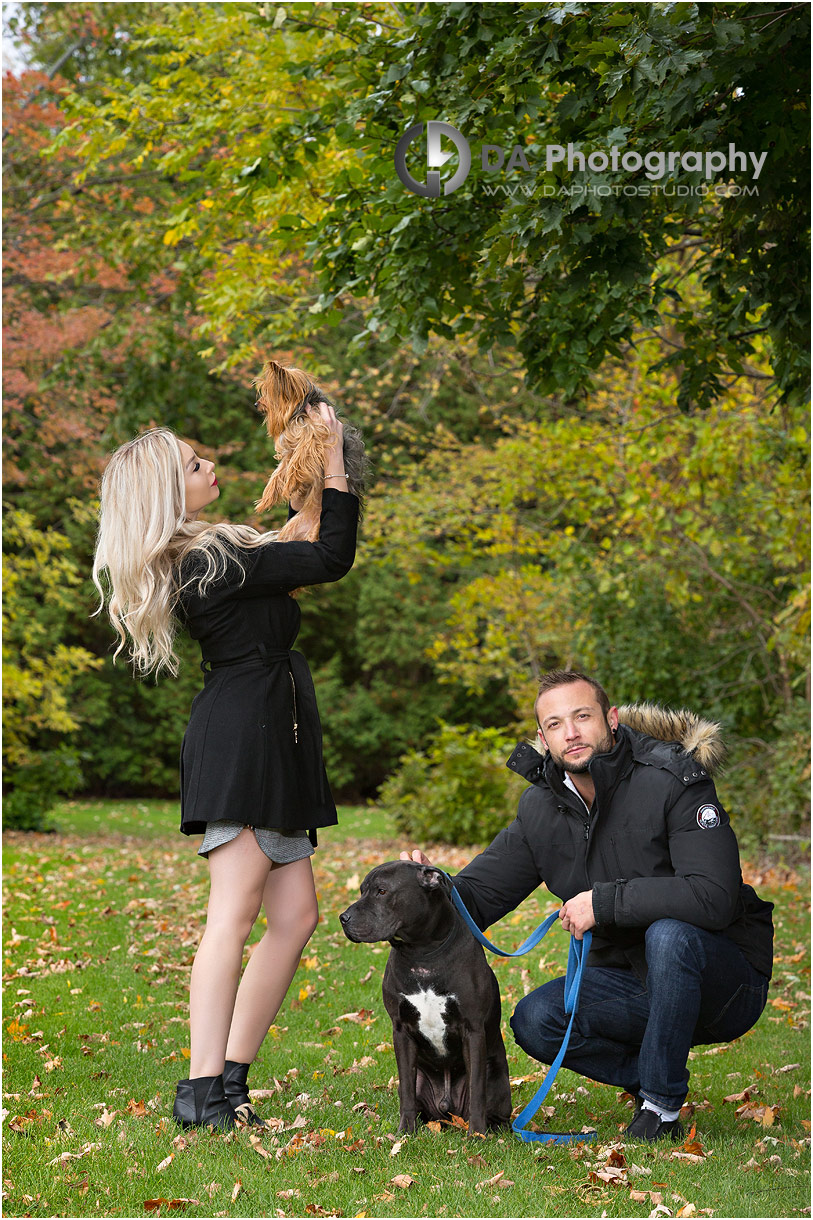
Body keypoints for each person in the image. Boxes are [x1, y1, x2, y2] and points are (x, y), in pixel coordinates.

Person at [92, 401, 358, 1130]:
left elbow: (297, 541)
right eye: (193, 463)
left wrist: (310, 462)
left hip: (273, 732)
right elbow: (329, 556)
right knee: (232, 915)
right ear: (167, 491)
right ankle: (201, 1088)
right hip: (244, 736)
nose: (210, 464)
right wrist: (332, 459)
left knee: (295, 916)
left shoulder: (217, 550)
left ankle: (229, 1081)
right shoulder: (210, 559)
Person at [401, 669, 774, 1141]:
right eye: (555, 724)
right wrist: (429, 886)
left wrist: (605, 901)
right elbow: (475, 899)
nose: (571, 732)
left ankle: (659, 1109)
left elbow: (714, 896)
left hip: (724, 983)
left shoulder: (673, 778)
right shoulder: (540, 807)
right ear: (542, 737)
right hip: (630, 983)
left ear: (611, 719)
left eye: (582, 716)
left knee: (669, 935)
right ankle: (651, 1076)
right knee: (536, 1019)